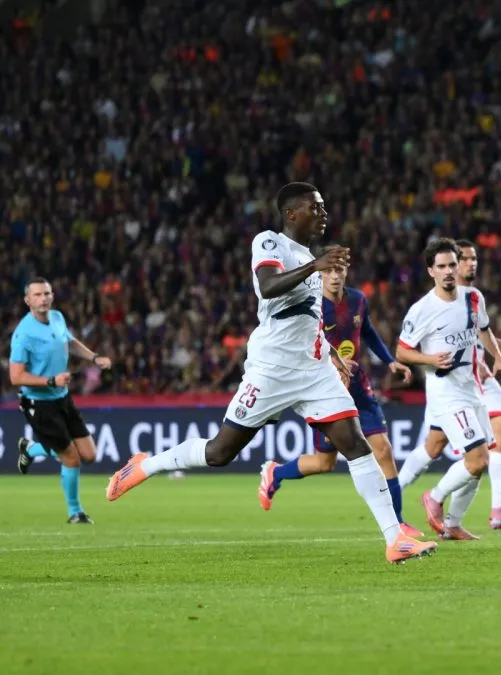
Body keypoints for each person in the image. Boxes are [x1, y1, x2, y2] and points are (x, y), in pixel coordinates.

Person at [104, 182, 437, 564]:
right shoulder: (269, 242)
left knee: (357, 446)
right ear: (292, 213)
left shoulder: (310, 260)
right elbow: (268, 287)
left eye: (323, 207)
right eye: (315, 207)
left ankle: (395, 540)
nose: (323, 214)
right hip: (272, 370)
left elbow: (308, 319)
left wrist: (332, 354)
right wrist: (315, 266)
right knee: (219, 452)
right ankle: (145, 465)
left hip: (314, 371)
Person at [256, 255, 424, 538]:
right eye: (329, 270)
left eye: (340, 269)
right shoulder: (310, 305)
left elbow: (367, 331)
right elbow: (301, 343)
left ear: (347, 271)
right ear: (320, 273)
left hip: (357, 385)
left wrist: (389, 361)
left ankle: (398, 522)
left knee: (383, 450)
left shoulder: (357, 300)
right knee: (325, 463)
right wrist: (332, 361)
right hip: (326, 388)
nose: (334, 275)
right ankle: (276, 472)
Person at [398, 239, 501, 529]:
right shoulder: (422, 309)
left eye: (452, 264)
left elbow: (483, 330)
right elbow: (402, 351)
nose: (449, 270)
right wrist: (429, 359)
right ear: (431, 271)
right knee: (477, 458)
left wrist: (499, 358)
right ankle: (433, 497)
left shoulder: (473, 297)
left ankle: (453, 525)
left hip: (471, 388)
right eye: (442, 266)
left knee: (469, 457)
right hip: (445, 392)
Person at [8, 277, 113, 523]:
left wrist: (94, 357)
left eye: (46, 293)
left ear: (52, 296)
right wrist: (51, 381)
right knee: (71, 457)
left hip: (62, 398)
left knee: (89, 455)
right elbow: (16, 376)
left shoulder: (57, 318)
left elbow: (69, 342)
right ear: (27, 300)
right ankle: (75, 512)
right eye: (37, 295)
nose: (43, 299)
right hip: (38, 403)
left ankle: (31, 449)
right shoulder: (23, 334)